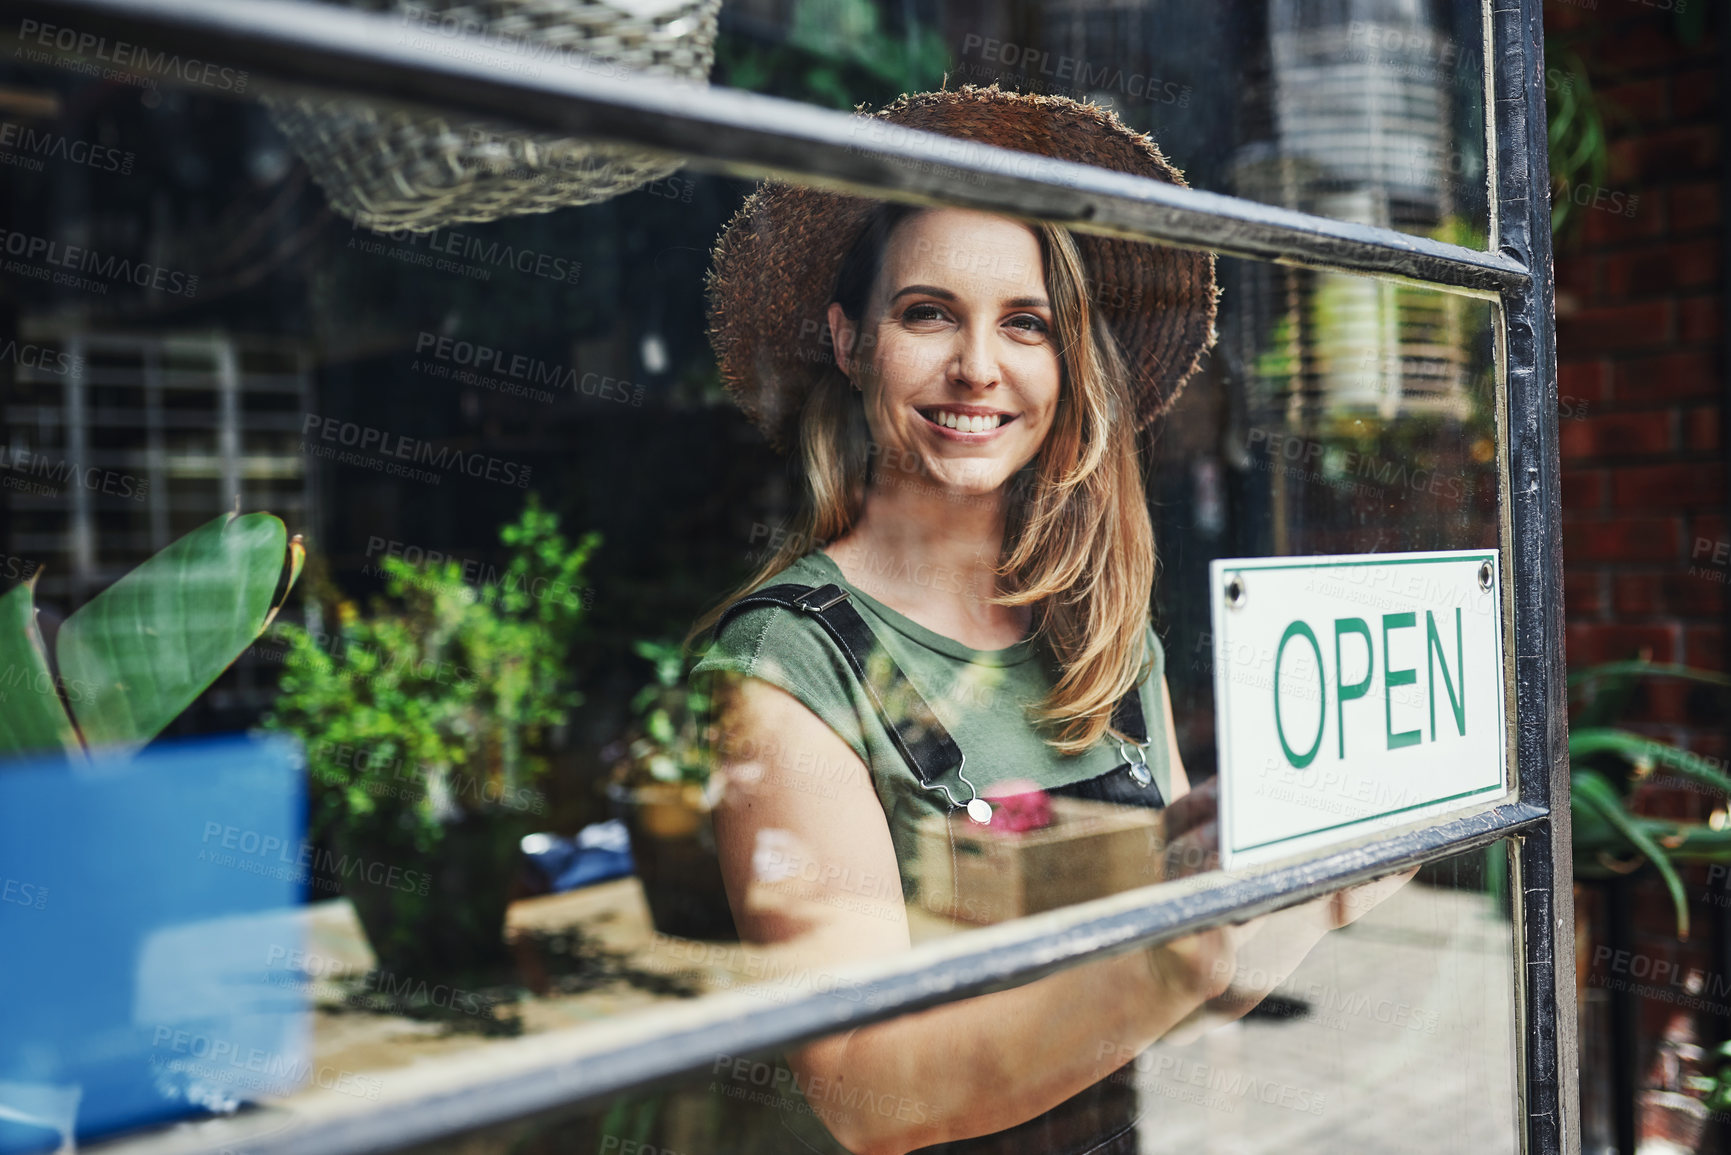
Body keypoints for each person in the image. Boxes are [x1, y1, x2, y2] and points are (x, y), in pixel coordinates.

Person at [685, 85, 1407, 1155]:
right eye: (929, 313)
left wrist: (1336, 877)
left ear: (1067, 366)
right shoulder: (782, 666)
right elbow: (863, 1089)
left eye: (1025, 323)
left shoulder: (1104, 640)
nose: (979, 366)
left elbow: (1214, 981)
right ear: (849, 340)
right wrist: (1178, 949)